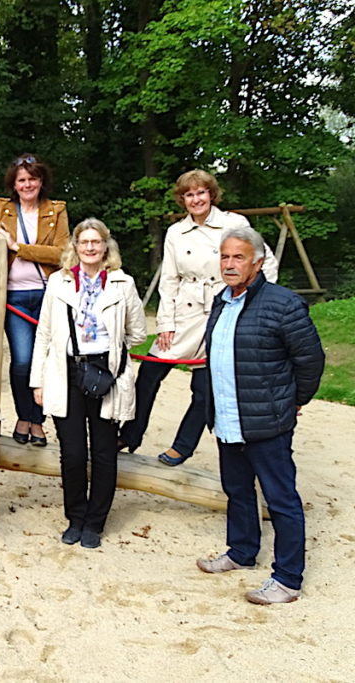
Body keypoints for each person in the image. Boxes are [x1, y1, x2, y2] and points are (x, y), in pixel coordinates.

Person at [195, 226, 324, 605]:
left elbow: (311, 360)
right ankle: (241, 552)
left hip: (267, 421)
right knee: (237, 491)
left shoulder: (283, 304)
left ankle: (287, 579)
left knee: (281, 498)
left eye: (238, 257)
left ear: (258, 261)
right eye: (224, 256)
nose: (230, 264)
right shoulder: (221, 300)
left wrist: (294, 400)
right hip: (227, 418)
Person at [119, 169, 279, 466]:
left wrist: (252, 301)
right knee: (149, 374)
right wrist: (165, 323)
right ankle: (130, 434)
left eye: (201, 192)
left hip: (223, 309)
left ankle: (182, 447)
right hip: (185, 311)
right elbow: (168, 280)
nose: (196, 199)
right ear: (182, 199)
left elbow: (265, 261)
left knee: (206, 387)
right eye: (189, 194)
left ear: (211, 194)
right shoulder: (176, 232)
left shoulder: (234, 223)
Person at [29, 219, 147, 548]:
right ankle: (76, 518)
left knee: (105, 452)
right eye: (85, 242)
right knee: (73, 452)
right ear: (76, 247)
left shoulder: (123, 284)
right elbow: (45, 333)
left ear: (106, 246)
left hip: (104, 371)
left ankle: (95, 522)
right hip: (66, 369)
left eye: (97, 242)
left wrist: (112, 340)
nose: (91, 247)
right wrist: (37, 380)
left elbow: (137, 333)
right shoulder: (59, 282)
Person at [0, 154, 70, 447]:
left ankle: (36, 421)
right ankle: (24, 416)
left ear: (41, 181)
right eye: (21, 180)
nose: (27, 184)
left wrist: (20, 247)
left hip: (47, 294)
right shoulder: (2, 209)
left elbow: (63, 254)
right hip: (14, 297)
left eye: (32, 178)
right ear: (14, 185)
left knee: (45, 361)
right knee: (23, 360)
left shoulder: (56, 210)